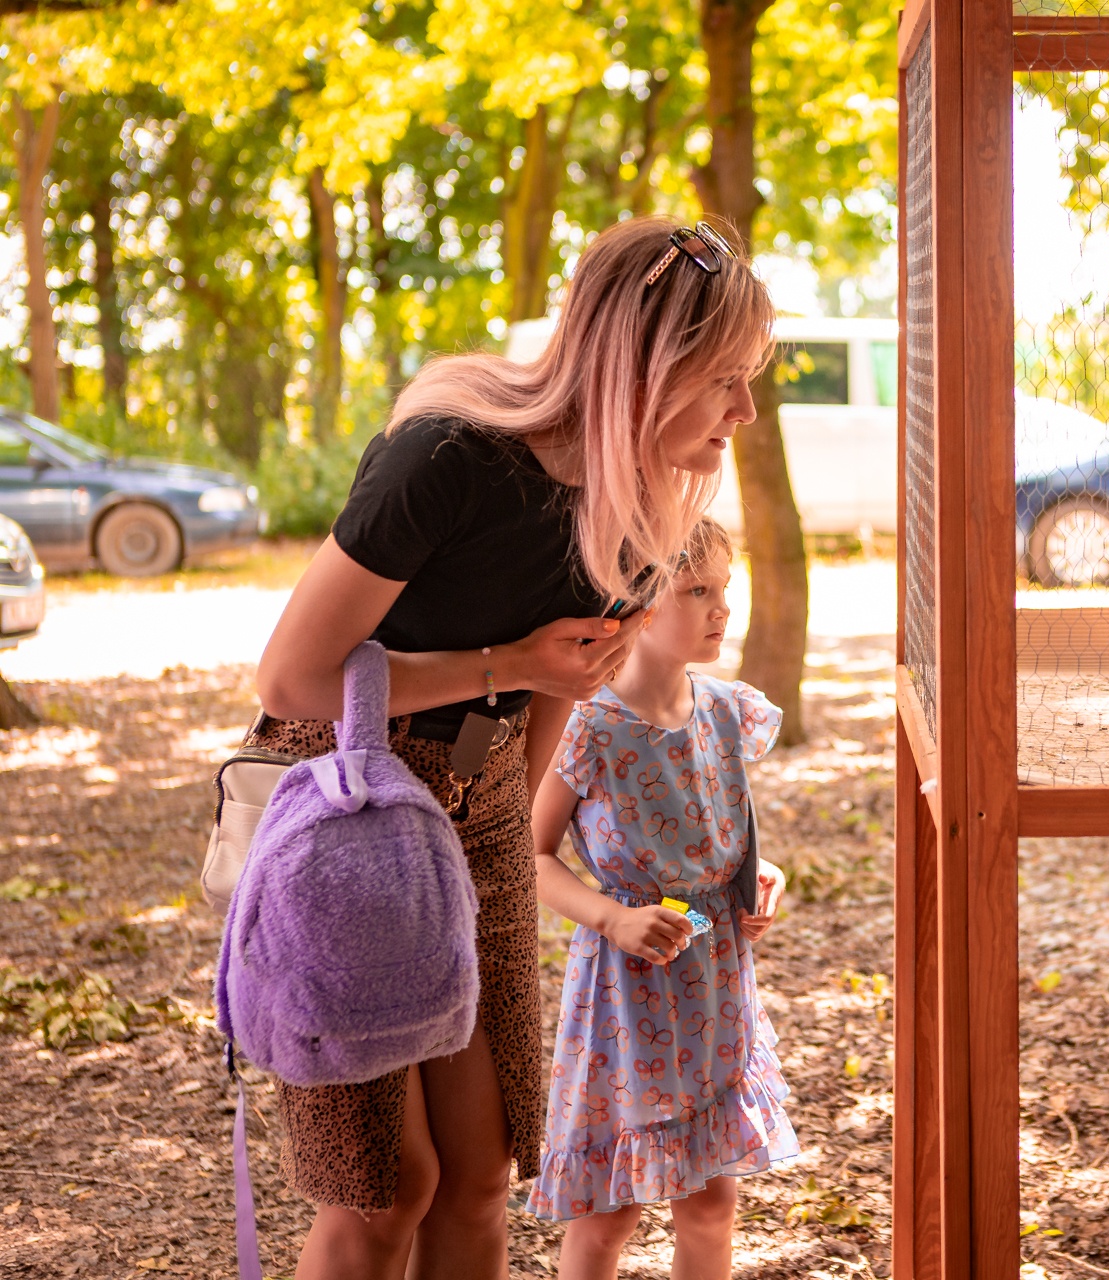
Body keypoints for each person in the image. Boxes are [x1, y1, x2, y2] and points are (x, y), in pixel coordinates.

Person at [251, 218, 773, 1280]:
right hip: (345, 811)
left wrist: (494, 839)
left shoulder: (642, 531)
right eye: (726, 378)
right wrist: (509, 661)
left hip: (478, 819)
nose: (745, 411)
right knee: (387, 1188)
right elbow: (293, 680)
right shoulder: (444, 461)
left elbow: (555, 702)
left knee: (481, 1177)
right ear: (649, 364)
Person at [527, 517, 799, 1280]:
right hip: (627, 998)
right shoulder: (590, 726)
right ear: (635, 606)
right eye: (697, 590)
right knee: (609, 1214)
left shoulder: (727, 711)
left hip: (715, 988)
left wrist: (757, 873)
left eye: (725, 589)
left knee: (712, 1206)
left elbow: (713, 833)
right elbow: (528, 854)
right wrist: (611, 917)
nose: (722, 608)